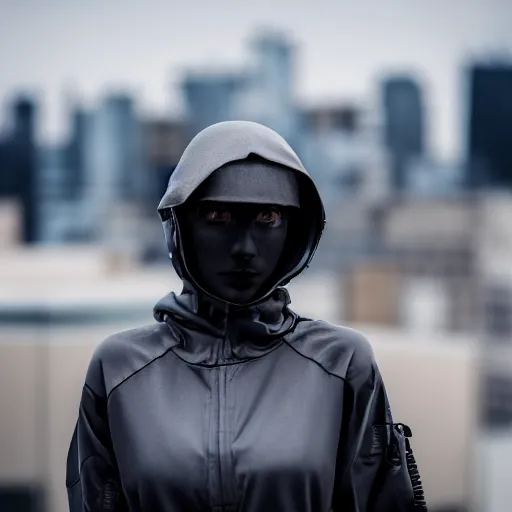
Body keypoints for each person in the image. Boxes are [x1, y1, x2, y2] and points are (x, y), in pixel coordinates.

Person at [65, 120, 427, 511]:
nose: (244, 247)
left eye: (268, 218)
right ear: (179, 226)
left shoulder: (341, 364)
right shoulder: (120, 369)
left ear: (295, 229)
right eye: (218, 217)